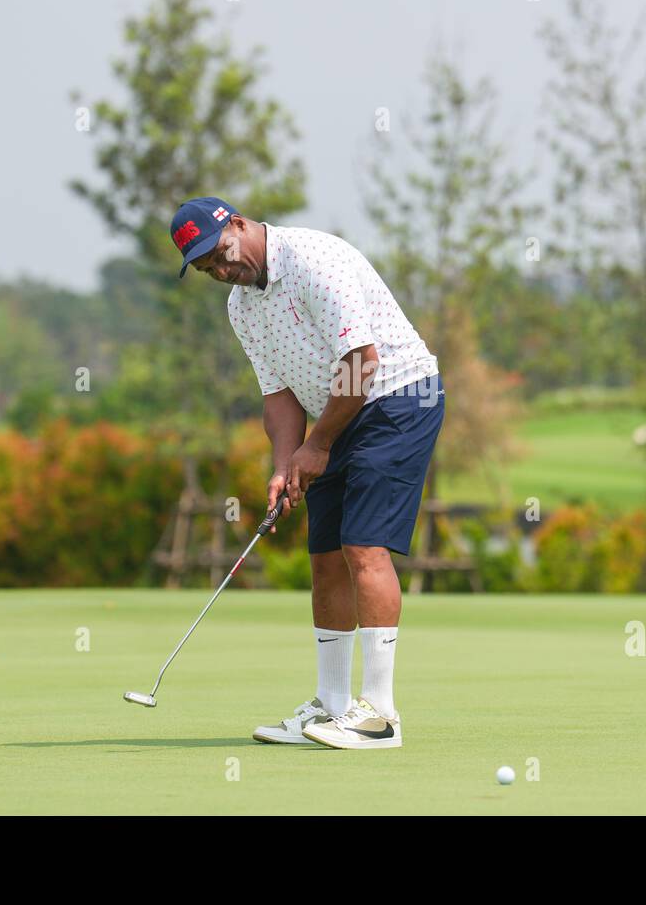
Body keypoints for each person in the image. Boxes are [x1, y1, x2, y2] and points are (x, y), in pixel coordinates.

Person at [170, 196, 444, 749]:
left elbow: (361, 362)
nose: (223, 271)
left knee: (363, 548)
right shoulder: (241, 307)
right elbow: (278, 396)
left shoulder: (316, 260)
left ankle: (380, 717)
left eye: (221, 253)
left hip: (399, 397)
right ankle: (332, 706)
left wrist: (315, 448)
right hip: (340, 412)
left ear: (240, 224)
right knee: (324, 557)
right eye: (207, 269)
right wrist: (284, 466)